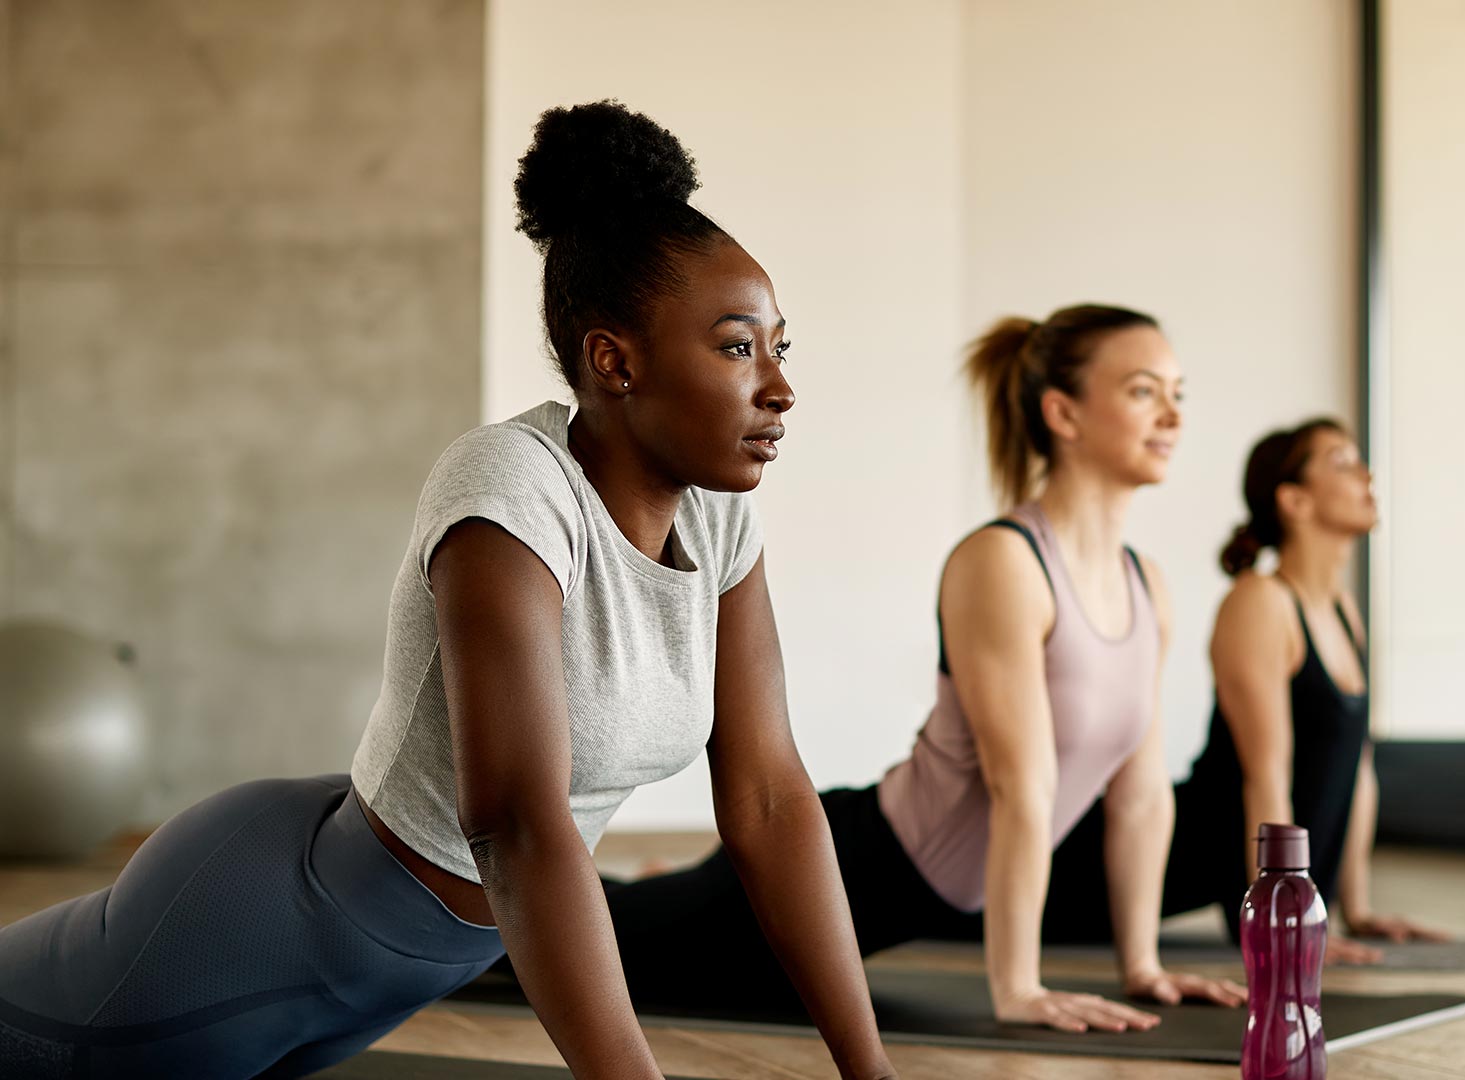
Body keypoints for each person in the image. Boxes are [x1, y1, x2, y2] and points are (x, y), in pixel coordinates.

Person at [0, 101, 896, 1080]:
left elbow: (768, 800)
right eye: (736, 347)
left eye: (780, 348)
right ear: (614, 359)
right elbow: (514, 825)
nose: (779, 387)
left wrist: (870, 1070)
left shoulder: (721, 522)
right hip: (254, 936)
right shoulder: (510, 485)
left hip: (393, 975)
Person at [597, 305, 1245, 1034]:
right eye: (1142, 391)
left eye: (1178, 393)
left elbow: (1141, 795)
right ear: (1062, 412)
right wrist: (1019, 988)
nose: (1172, 416)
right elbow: (1020, 787)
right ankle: (483, 894)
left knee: (626, 921)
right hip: (853, 867)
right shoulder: (1006, 562)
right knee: (592, 943)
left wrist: (1144, 967)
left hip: (924, 897)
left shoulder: (1145, 583)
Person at [991, 420, 1447, 964]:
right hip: (1149, 863)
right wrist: (1278, 921)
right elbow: (1266, 777)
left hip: (1257, 874)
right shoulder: (1259, 603)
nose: (1366, 474)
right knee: (970, 906)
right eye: (1342, 461)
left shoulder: (1345, 614)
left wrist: (1358, 908)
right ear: (1294, 500)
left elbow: (1356, 768)